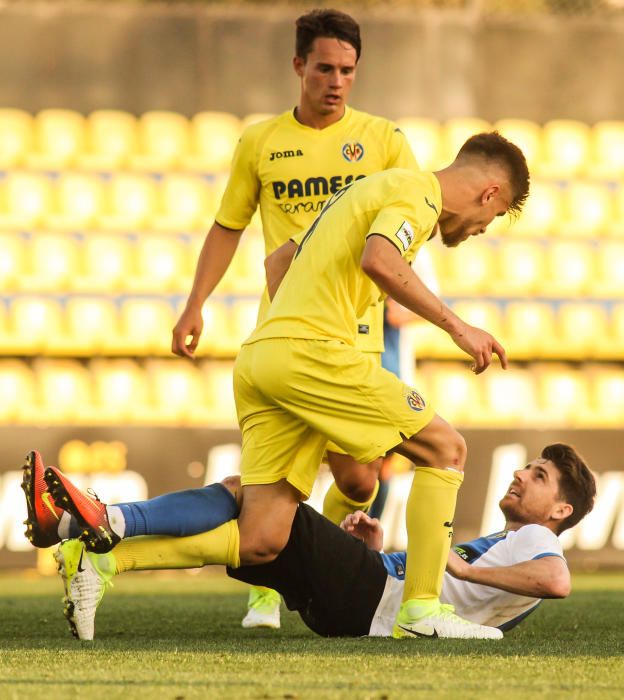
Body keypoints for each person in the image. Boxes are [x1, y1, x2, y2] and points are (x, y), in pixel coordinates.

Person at [34, 131, 530, 642]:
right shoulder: (417, 194)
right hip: (311, 352)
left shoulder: (369, 189)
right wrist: (458, 327)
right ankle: (422, 607)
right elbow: (380, 260)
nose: (479, 229)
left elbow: (276, 262)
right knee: (446, 449)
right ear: (490, 193)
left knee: (261, 540)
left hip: (265, 353)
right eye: (491, 219)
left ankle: (102, 562)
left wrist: (294, 322)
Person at [171, 8, 422, 629]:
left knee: (362, 480)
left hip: (357, 334)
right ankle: (268, 587)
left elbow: (414, 217)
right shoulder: (261, 142)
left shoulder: (385, 140)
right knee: (281, 483)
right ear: (298, 67)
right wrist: (195, 303)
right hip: (286, 333)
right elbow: (227, 226)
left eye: (348, 71)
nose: (336, 82)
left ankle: (307, 562)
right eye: (324, 69)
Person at [23, 444, 595, 639]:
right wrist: (375, 551)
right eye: (527, 466)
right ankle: (96, 557)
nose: (521, 474)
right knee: (255, 541)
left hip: (370, 599)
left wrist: (467, 574)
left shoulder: (535, 543)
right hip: (354, 608)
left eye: (539, 476)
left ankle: (94, 525)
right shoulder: (511, 539)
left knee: (252, 492)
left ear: (561, 511)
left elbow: (557, 582)